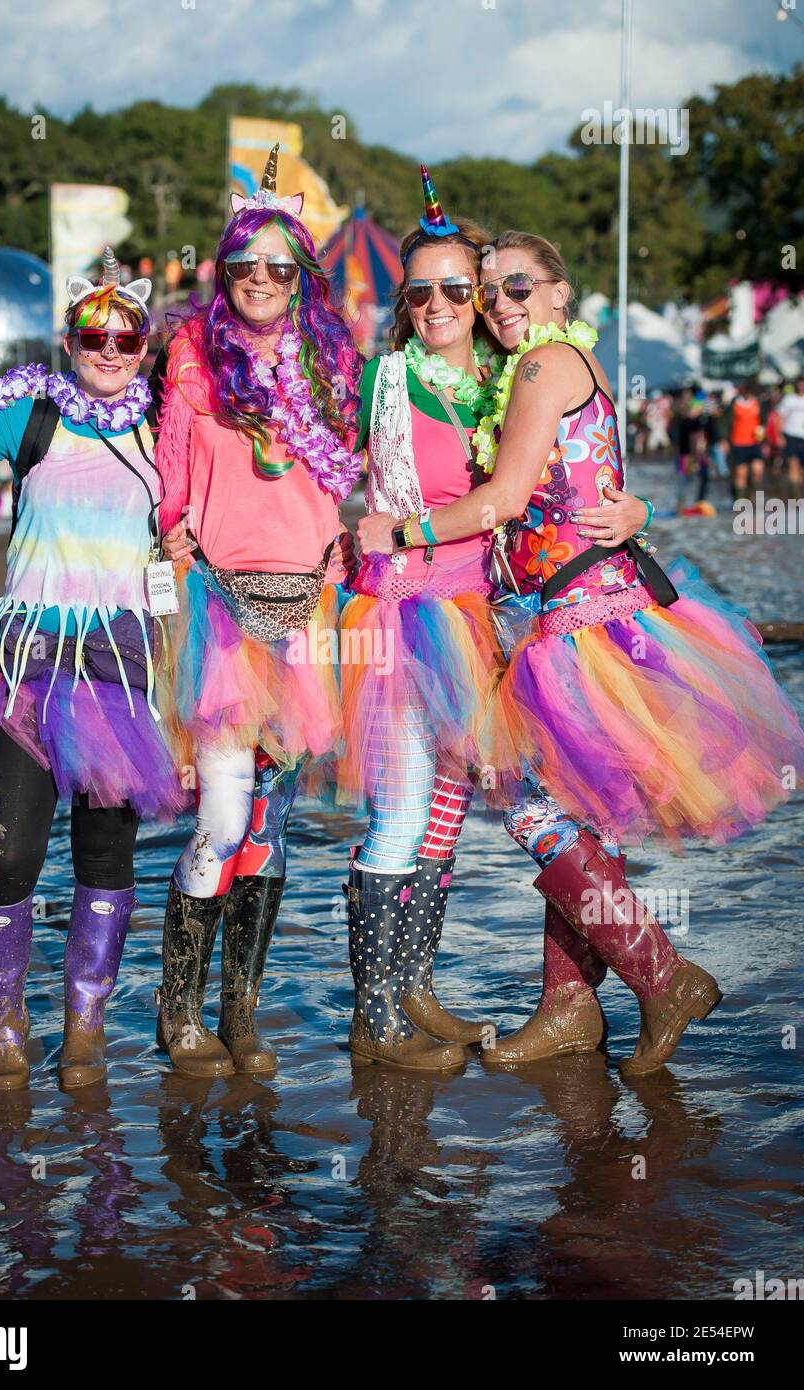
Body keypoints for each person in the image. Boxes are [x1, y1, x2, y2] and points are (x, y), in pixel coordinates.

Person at [360, 230, 803, 1077]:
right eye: (490, 291)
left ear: (564, 292)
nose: (500, 303)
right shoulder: (565, 366)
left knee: (525, 803)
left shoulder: (539, 368)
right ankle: (570, 1007)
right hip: (589, 606)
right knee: (582, 809)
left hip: (573, 620)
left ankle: (660, 973)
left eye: (517, 285)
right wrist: (637, 509)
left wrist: (400, 529)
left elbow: (504, 498)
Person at [340, 182, 653, 1073]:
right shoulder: (386, 379)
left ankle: (417, 990)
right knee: (405, 811)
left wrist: (636, 507)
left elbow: (555, 480)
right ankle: (379, 1018)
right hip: (410, 615)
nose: (441, 306)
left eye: (458, 290)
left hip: (497, 618)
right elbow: (316, 451)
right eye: (421, 293)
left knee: (465, 811)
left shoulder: (509, 379)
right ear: (403, 305)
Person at [0, 248, 186, 1092]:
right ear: (69, 336)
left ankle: (84, 1031)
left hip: (119, 669)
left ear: (148, 345)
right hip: (28, 670)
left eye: (129, 337)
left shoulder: (168, 430)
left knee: (105, 859)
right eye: (95, 333)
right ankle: (9, 1028)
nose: (111, 350)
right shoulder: (33, 422)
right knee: (7, 860)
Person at [154, 146, 361, 1079]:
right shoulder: (195, 350)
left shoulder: (330, 356)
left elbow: (350, 475)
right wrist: (172, 530)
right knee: (226, 812)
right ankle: (177, 1009)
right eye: (247, 267)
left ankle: (243, 1013)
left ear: (301, 275)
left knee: (271, 825)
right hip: (223, 605)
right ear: (225, 269)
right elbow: (168, 463)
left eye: (283, 267)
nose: (264, 282)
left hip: (305, 605)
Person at [729, 381, 765, 498]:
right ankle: (740, 502)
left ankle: (753, 495)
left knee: (758, 470)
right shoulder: (734, 403)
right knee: (741, 474)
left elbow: (763, 421)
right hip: (739, 442)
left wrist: (765, 440)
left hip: (755, 442)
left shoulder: (758, 402)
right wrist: (724, 439)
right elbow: (726, 422)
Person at [777, 377, 804, 493]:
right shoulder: (789, 399)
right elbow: (780, 417)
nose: (801, 387)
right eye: (800, 384)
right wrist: (779, 435)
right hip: (791, 435)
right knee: (793, 465)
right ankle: (795, 498)